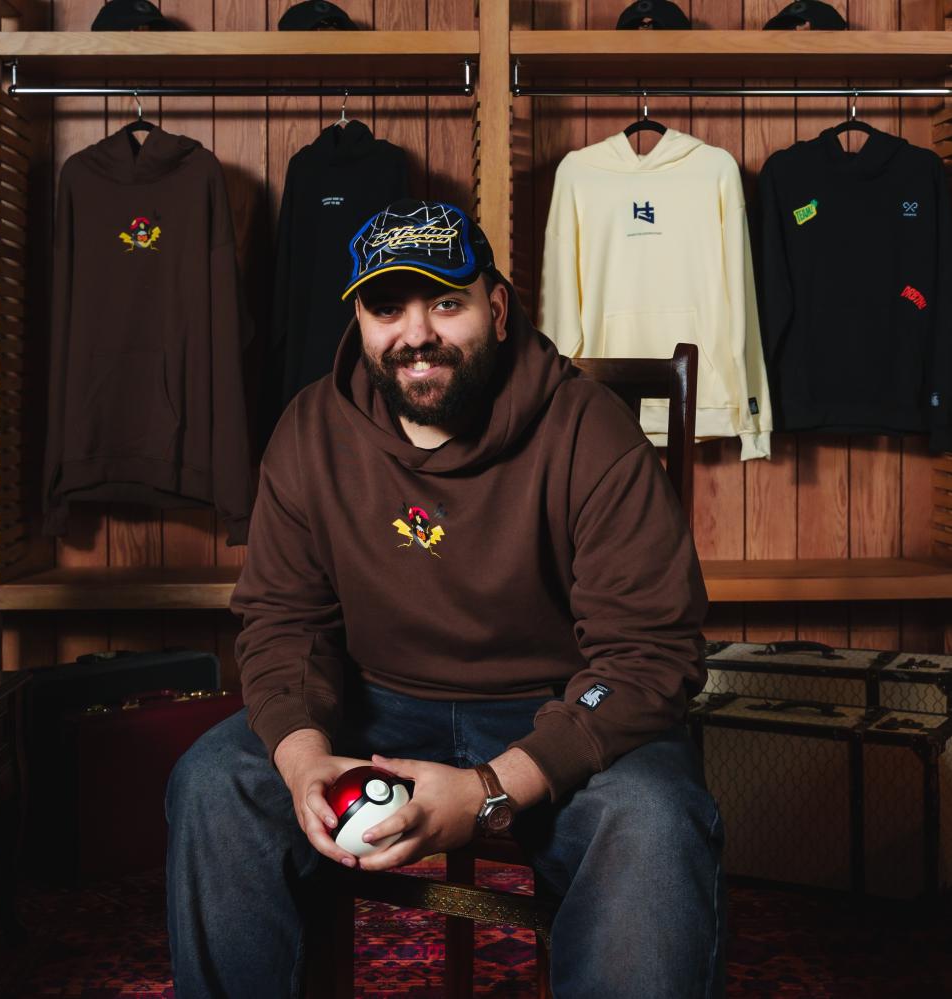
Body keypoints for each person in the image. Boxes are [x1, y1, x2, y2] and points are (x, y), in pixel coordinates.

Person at [165, 199, 727, 999]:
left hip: (554, 708)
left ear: (495, 309)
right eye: (386, 308)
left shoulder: (590, 430)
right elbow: (283, 622)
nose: (416, 333)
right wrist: (303, 758)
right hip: (372, 704)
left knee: (654, 819)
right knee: (215, 781)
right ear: (360, 320)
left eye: (444, 303)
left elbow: (648, 656)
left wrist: (489, 789)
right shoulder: (310, 429)